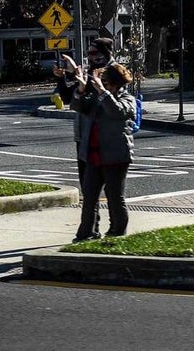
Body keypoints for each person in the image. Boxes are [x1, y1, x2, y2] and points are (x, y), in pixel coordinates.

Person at [54, 37, 117, 241]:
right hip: (84, 137)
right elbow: (70, 100)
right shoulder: (89, 74)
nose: (89, 57)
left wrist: (77, 75)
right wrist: (62, 78)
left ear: (104, 53)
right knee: (88, 188)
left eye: (93, 53)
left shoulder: (113, 72)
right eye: (89, 53)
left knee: (112, 189)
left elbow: (98, 95)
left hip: (106, 139)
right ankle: (90, 230)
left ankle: (115, 230)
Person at [70, 62, 137, 241]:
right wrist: (81, 90)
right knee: (89, 195)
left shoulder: (127, 99)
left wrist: (103, 92)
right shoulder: (99, 97)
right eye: (102, 82)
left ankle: (117, 231)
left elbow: (118, 112)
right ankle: (87, 233)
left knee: (114, 196)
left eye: (106, 82)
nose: (102, 84)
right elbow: (78, 107)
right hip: (94, 155)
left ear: (115, 84)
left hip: (116, 155)